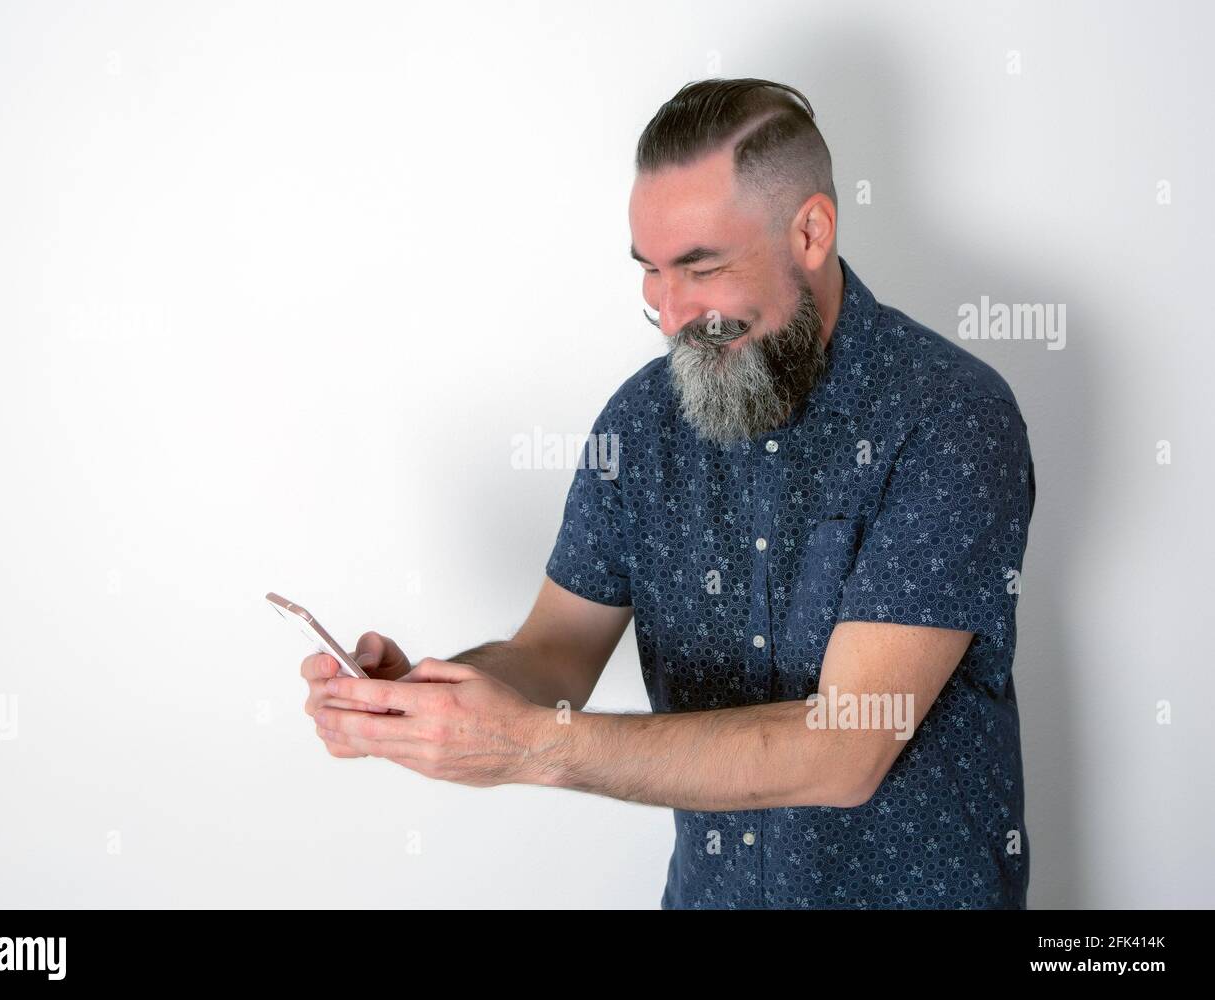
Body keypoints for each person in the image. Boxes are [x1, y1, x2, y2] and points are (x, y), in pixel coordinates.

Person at [302, 78, 1036, 910]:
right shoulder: (641, 421)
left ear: (810, 231)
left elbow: (844, 750)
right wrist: (429, 697)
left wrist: (533, 748)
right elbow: (553, 654)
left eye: (701, 267)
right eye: (651, 271)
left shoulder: (949, 416)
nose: (667, 314)